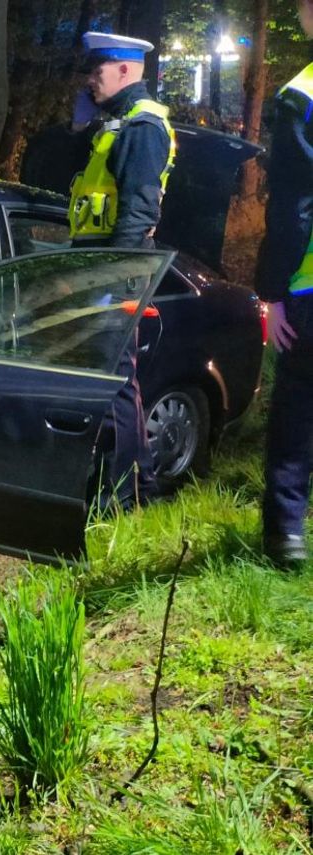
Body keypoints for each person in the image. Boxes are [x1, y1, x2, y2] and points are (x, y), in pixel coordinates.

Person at [69, 32, 177, 508]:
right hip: (101, 267)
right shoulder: (117, 123)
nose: (91, 79)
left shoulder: (141, 127)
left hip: (116, 272)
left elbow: (138, 212)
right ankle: (128, 486)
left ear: (127, 71)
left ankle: (130, 494)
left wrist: (116, 280)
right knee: (108, 382)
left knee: (114, 385)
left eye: (99, 70)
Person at [258, 0, 313, 568]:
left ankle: (286, 534)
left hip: (310, 290)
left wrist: (271, 291)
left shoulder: (304, 94)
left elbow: (295, 208)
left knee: (298, 403)